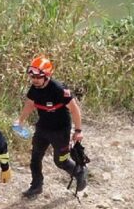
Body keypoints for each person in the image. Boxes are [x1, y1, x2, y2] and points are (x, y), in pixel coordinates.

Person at [15, 56, 87, 197]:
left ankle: (79, 172)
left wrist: (78, 130)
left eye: (38, 77)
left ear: (47, 75)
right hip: (43, 128)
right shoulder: (34, 89)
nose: (35, 80)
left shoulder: (59, 89)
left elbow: (74, 109)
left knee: (61, 161)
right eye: (32, 77)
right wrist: (20, 121)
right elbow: (29, 105)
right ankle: (36, 186)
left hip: (60, 130)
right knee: (35, 158)